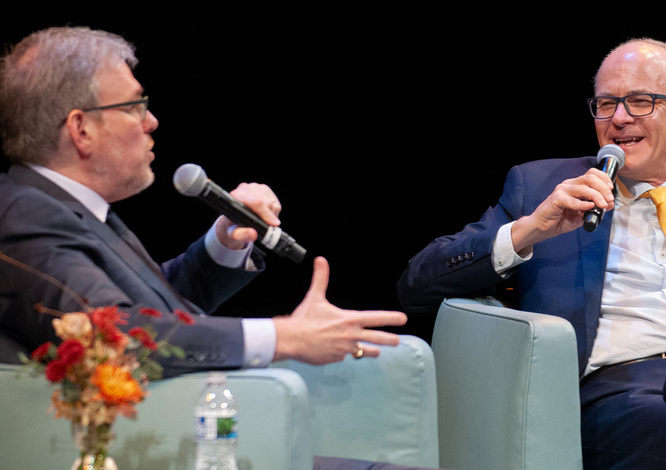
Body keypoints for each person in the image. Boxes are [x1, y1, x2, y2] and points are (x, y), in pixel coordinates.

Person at [0, 26, 446, 470]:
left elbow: (146, 312)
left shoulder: (71, 211)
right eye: (135, 105)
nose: (151, 121)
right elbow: (118, 335)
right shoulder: (22, 217)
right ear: (81, 128)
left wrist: (221, 245)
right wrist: (284, 336)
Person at [398, 37, 666, 469]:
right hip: (623, 391)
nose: (619, 119)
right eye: (606, 104)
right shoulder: (543, 188)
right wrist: (530, 230)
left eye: (640, 102)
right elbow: (416, 286)